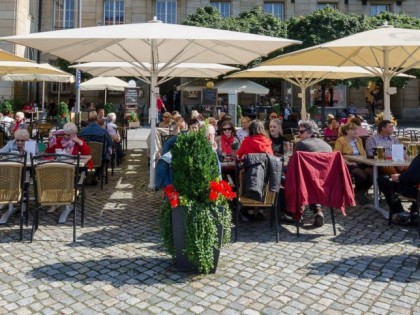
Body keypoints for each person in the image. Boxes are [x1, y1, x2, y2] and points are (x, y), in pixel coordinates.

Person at [294, 120, 332, 227]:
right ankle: (317, 210)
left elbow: (294, 166)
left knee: (286, 178)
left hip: (307, 183)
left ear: (310, 133)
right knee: (312, 181)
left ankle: (293, 212)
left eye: (301, 132)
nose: (299, 134)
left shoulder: (301, 145)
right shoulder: (327, 146)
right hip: (327, 184)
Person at [334, 122, 373, 205]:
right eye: (352, 129)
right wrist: (349, 163)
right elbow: (337, 155)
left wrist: (364, 160)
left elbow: (363, 153)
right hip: (348, 164)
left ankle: (359, 192)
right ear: (347, 131)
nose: (355, 131)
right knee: (362, 175)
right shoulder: (341, 140)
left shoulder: (359, 139)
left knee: (373, 173)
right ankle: (359, 193)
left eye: (356, 129)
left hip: (361, 163)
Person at [377, 152, 420, 225]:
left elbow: (410, 176)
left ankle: (400, 213)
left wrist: (399, 177)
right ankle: (414, 213)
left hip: (416, 191)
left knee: (383, 179)